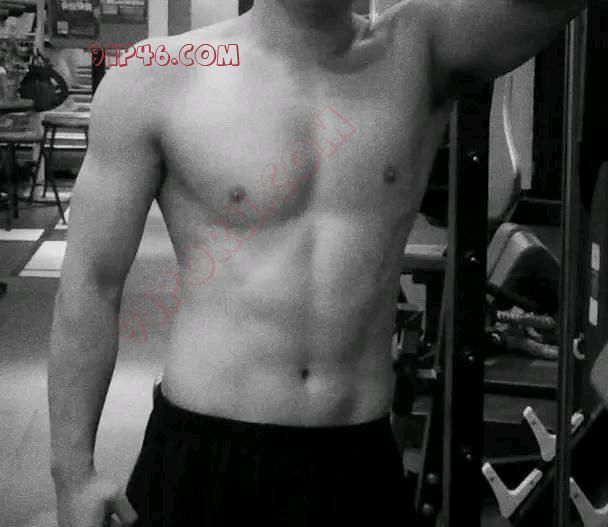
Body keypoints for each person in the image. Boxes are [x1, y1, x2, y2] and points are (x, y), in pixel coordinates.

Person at [48, 1, 586, 526]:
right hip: (203, 452)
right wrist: (72, 474)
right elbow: (93, 283)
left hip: (354, 462)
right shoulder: (158, 72)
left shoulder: (417, 49)